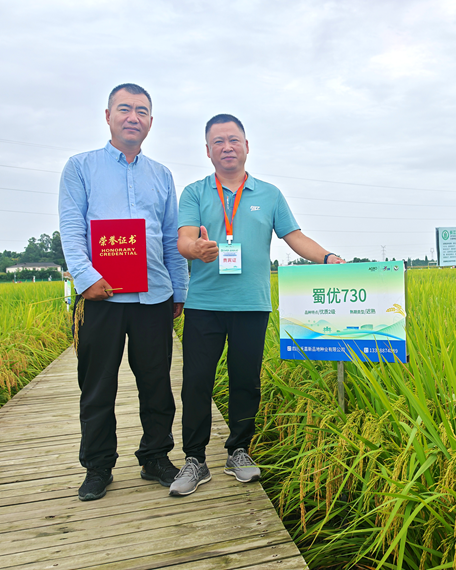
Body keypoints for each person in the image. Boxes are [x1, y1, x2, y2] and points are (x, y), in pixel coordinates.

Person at [171, 114, 343, 496]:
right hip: (205, 305)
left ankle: (238, 450)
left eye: (233, 139)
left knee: (246, 380)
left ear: (247, 146)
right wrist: (196, 248)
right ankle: (194, 459)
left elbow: (294, 236)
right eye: (218, 141)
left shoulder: (269, 194)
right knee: (196, 382)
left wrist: (328, 257)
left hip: (251, 304)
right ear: (207, 151)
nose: (227, 147)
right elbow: (183, 240)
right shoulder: (195, 192)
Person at [59, 83, 189, 501]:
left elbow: (170, 237)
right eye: (125, 109)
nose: (133, 117)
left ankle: (155, 457)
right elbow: (72, 227)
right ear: (108, 116)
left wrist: (179, 289)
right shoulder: (80, 167)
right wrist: (85, 278)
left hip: (154, 298)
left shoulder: (161, 174)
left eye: (142, 111)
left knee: (157, 384)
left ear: (150, 121)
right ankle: (98, 466)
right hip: (102, 298)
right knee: (97, 386)